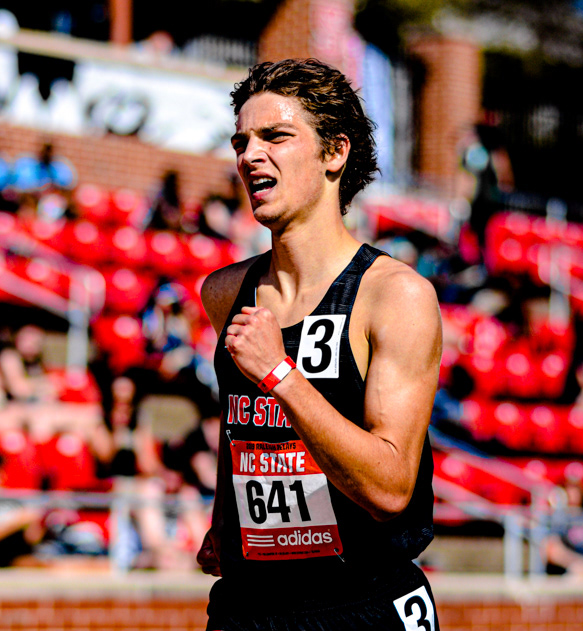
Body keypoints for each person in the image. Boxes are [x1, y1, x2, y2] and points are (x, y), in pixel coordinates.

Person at [196, 59, 441, 630]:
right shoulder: (224, 292)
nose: (250, 155)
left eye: (275, 136)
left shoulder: (394, 295)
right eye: (242, 142)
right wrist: (226, 519)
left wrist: (280, 374)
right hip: (250, 606)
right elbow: (242, 427)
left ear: (335, 152)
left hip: (362, 606)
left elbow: (389, 488)